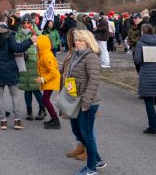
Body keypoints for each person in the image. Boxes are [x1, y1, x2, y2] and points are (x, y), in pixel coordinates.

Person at [0, 13, 36, 130]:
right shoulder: (9, 34)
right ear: (5, 22)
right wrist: (30, 41)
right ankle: (17, 121)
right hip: (10, 68)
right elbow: (17, 48)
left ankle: (3, 121)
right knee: (14, 95)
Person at [65, 30, 105, 174]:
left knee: (86, 133)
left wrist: (86, 102)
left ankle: (91, 168)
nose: (77, 42)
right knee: (77, 131)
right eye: (76, 40)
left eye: (80, 40)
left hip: (87, 102)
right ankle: (98, 159)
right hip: (75, 100)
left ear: (88, 42)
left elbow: (94, 81)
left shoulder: (91, 58)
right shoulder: (75, 55)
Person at [133, 24, 156, 135]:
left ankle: (152, 127)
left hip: (146, 75)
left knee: (148, 101)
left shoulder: (140, 42)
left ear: (142, 32)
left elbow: (137, 60)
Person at [16, 16, 44, 121]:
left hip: (34, 63)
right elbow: (16, 46)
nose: (26, 24)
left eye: (28, 22)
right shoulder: (18, 34)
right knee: (26, 88)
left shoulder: (37, 33)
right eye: (24, 22)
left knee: (35, 88)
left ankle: (42, 109)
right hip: (22, 62)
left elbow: (43, 47)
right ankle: (29, 111)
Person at [35, 34, 61, 129]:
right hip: (48, 80)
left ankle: (55, 120)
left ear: (42, 45)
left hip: (51, 80)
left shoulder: (47, 56)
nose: (36, 46)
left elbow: (53, 72)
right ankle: (54, 118)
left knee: (45, 100)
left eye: (38, 45)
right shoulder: (43, 54)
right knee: (45, 100)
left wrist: (42, 79)